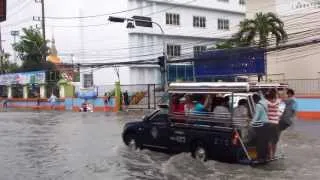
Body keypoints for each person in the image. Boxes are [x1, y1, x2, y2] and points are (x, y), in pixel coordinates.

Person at [250, 93, 270, 162]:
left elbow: (256, 116)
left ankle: (260, 157)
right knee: (265, 141)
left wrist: (251, 123)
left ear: (254, 99)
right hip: (268, 124)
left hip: (261, 125)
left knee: (260, 142)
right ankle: (266, 156)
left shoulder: (258, 105)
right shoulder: (266, 103)